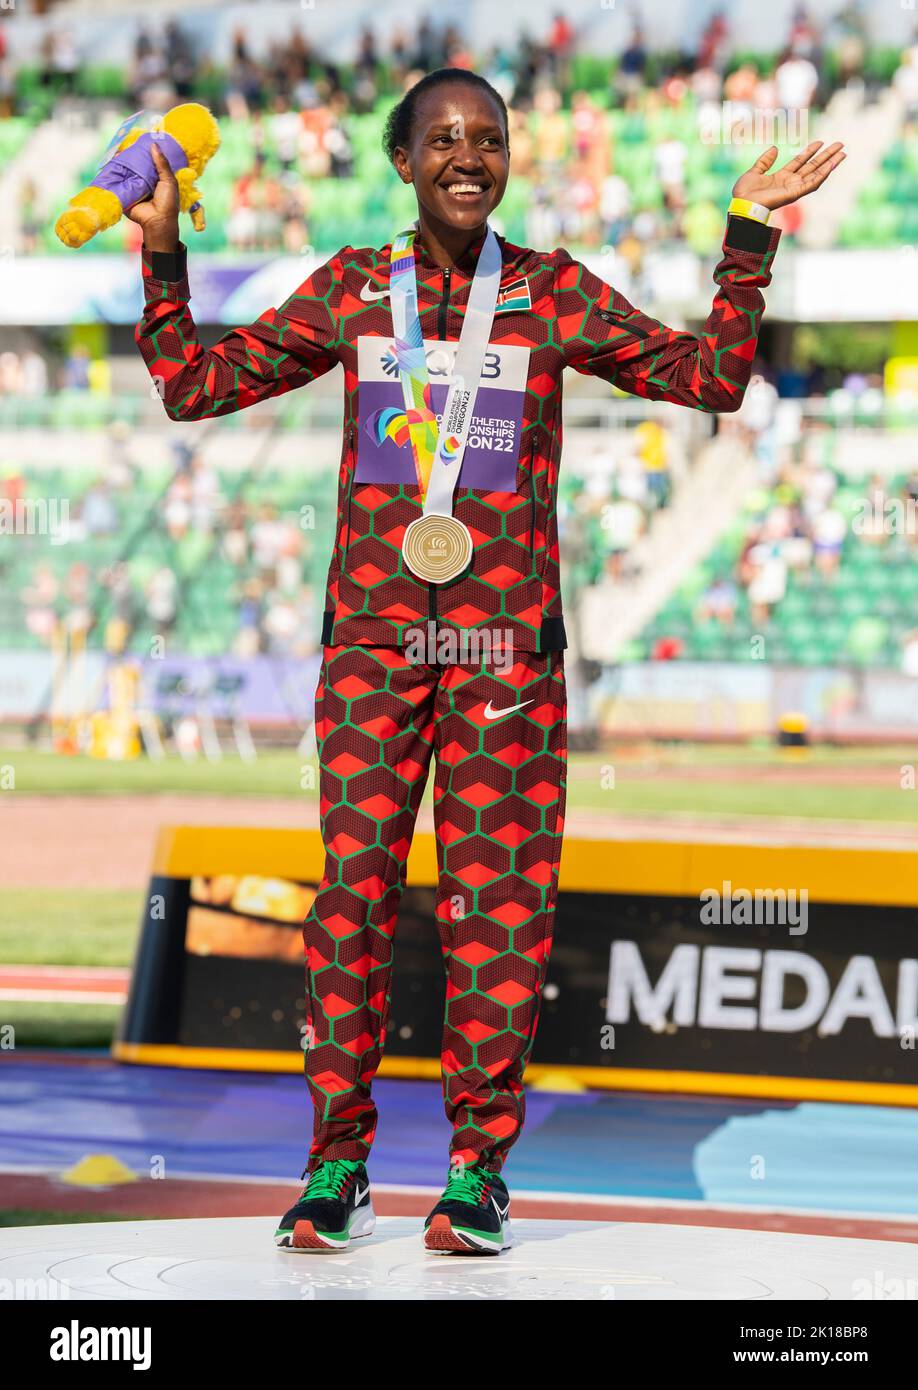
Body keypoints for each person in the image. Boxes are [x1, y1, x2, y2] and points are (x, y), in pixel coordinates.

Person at [130, 68, 843, 1255]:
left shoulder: (550, 291)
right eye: (444, 140)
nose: (469, 156)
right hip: (371, 650)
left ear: (508, 160)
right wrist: (161, 260)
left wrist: (748, 237)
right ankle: (338, 1165)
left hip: (505, 653)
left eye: (490, 140)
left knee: (496, 913)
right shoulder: (356, 290)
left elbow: (709, 378)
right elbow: (194, 385)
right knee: (352, 901)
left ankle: (474, 1172)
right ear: (403, 162)